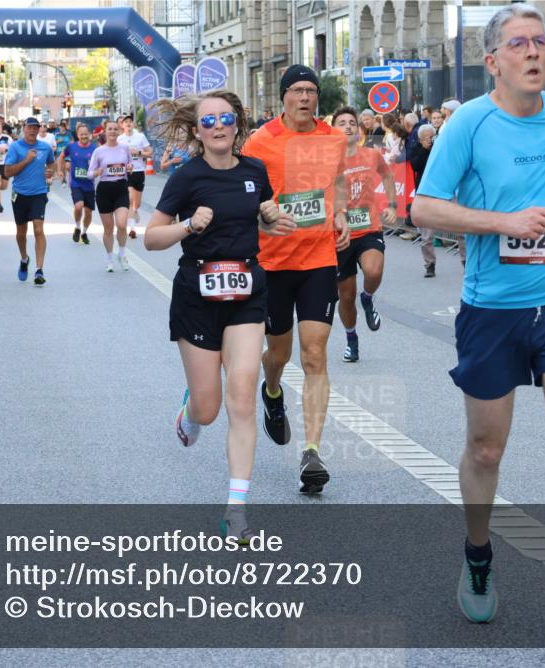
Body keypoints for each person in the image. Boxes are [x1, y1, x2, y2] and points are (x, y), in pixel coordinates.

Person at [410, 4, 545, 660]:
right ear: (493, 60)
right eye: (518, 44)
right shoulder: (470, 122)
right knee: (486, 451)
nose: (534, 52)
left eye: (542, 43)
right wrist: (505, 224)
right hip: (491, 311)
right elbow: (422, 207)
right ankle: (477, 553)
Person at [145, 91, 294, 542]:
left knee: (244, 390)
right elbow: (152, 238)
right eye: (208, 121)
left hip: (247, 291)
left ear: (237, 124)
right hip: (197, 294)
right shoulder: (187, 177)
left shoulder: (255, 172)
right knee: (209, 411)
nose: (218, 126)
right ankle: (190, 410)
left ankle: (237, 507)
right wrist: (189, 225)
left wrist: (273, 217)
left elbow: (261, 221)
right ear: (197, 131)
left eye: (226, 118)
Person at [241, 64, 350, 494]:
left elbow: (338, 181)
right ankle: (271, 392)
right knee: (278, 354)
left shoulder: (334, 138)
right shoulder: (261, 141)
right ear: (283, 96)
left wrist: (339, 211)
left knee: (314, 353)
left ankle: (311, 451)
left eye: (311, 90)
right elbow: (247, 191)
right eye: (297, 91)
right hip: (272, 262)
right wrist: (265, 212)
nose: (305, 97)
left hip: (319, 258)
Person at [332, 107, 397, 363]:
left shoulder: (371, 155)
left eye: (352, 122)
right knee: (345, 296)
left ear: (359, 129)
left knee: (373, 271)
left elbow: (388, 176)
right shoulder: (327, 160)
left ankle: (368, 298)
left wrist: (391, 205)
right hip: (339, 234)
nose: (347, 126)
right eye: (341, 123)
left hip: (369, 227)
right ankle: (351, 338)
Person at [3, 117, 56, 286]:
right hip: (20, 194)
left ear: (39, 129)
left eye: (35, 128)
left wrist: (49, 174)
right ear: (24, 129)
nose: (32, 130)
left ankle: (39, 270)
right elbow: (8, 172)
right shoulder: (15, 147)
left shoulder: (45, 147)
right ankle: (24, 258)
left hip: (39, 193)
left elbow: (51, 164)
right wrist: (26, 160)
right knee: (21, 233)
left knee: (38, 229)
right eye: (29, 127)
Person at [89, 120, 134, 272]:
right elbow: (89, 173)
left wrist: (129, 168)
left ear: (119, 131)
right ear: (105, 131)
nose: (113, 132)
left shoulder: (124, 148)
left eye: (115, 129)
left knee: (121, 224)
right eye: (110, 129)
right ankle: (109, 258)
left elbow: (130, 167)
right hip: (104, 190)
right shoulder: (99, 151)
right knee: (108, 228)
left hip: (121, 187)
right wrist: (96, 172)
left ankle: (122, 254)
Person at [58, 124, 96, 245]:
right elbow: (61, 157)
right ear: (78, 135)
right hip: (76, 183)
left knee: (89, 212)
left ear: (89, 134)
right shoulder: (71, 147)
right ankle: (77, 227)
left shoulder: (94, 149)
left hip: (89, 185)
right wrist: (60, 170)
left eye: (85, 134)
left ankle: (84, 232)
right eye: (81, 134)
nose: (84, 136)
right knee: (79, 206)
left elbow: (101, 163)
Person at [117, 114, 153, 239]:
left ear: (133, 124)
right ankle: (132, 228)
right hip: (127, 172)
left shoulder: (140, 137)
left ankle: (135, 212)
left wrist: (137, 152)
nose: (128, 123)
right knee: (130, 198)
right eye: (125, 122)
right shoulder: (119, 139)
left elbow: (150, 152)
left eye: (130, 121)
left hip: (139, 171)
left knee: (136, 203)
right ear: (122, 125)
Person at [411, 124, 437, 277]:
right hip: (426, 192)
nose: (430, 140)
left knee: (462, 231)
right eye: (426, 138)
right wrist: (424, 149)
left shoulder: (440, 146)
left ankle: (466, 261)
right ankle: (430, 265)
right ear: (420, 139)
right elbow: (415, 165)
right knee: (427, 235)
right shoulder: (416, 149)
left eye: (431, 136)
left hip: (445, 190)